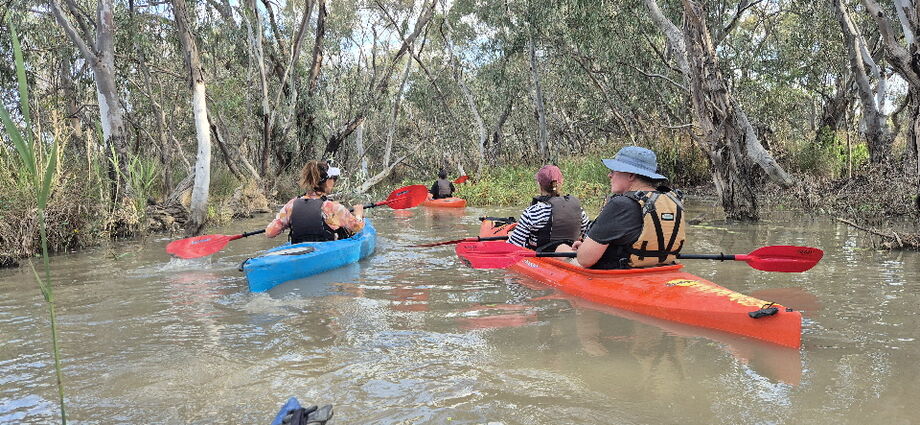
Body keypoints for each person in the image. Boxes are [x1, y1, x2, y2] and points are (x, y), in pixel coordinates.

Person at [560, 146, 686, 269]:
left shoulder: (620, 204)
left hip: (621, 273)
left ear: (630, 175)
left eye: (614, 171)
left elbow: (585, 260)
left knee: (561, 249)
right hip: (663, 268)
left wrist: (583, 250)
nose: (610, 175)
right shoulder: (672, 200)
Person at [266, 160, 365, 243]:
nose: (334, 182)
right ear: (326, 181)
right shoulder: (332, 207)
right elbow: (357, 227)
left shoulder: (291, 205)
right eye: (333, 178)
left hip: (300, 252)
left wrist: (288, 224)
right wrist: (359, 214)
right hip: (325, 253)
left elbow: (269, 232)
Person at [507, 165, 590, 252]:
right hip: (570, 254)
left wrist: (511, 236)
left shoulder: (532, 212)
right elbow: (586, 234)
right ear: (561, 183)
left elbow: (512, 246)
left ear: (539, 184)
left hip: (541, 258)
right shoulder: (578, 210)